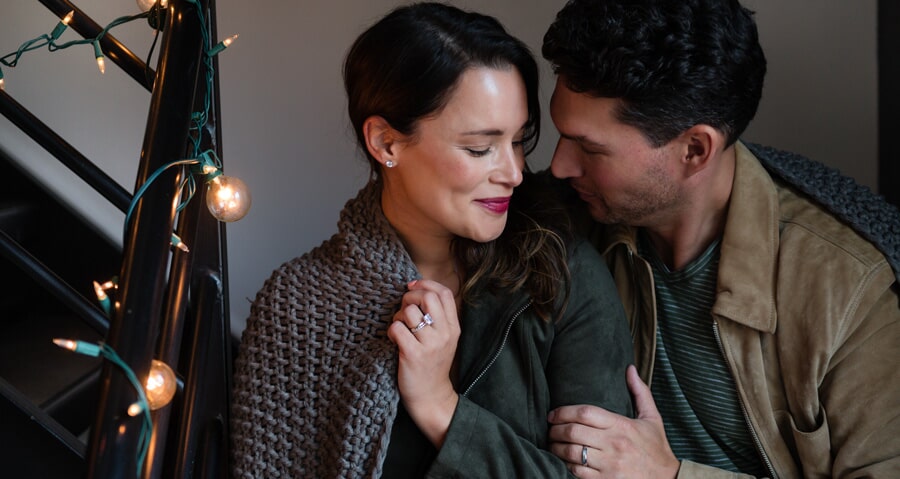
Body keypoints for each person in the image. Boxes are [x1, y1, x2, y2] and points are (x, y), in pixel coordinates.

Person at [230, 3, 634, 478]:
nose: (514, 172)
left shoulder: (560, 272)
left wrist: (440, 406)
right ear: (386, 143)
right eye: (480, 148)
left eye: (519, 140)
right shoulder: (297, 305)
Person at [539, 0, 900, 477]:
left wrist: (671, 475)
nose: (560, 166)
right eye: (562, 135)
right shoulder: (560, 223)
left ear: (695, 149)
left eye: (589, 148)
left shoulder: (847, 290)